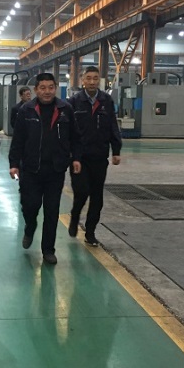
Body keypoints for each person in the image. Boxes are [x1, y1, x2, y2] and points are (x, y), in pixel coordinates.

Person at [9, 72, 81, 265]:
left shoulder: (65, 109)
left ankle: (48, 250)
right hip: (30, 169)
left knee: (51, 210)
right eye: (43, 88)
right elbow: (18, 140)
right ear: (36, 90)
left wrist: (76, 158)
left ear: (55, 88)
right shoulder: (26, 110)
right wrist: (14, 164)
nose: (47, 91)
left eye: (50, 87)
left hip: (55, 170)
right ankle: (30, 226)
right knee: (30, 206)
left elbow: (75, 137)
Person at [68, 66, 122, 246]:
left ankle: (90, 232)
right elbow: (68, 131)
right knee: (81, 192)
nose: (92, 82)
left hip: (99, 156)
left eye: (95, 78)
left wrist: (116, 150)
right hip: (79, 158)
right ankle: (75, 216)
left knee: (97, 198)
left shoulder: (106, 100)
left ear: (99, 80)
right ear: (82, 80)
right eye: (88, 78)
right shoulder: (74, 102)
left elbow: (113, 126)